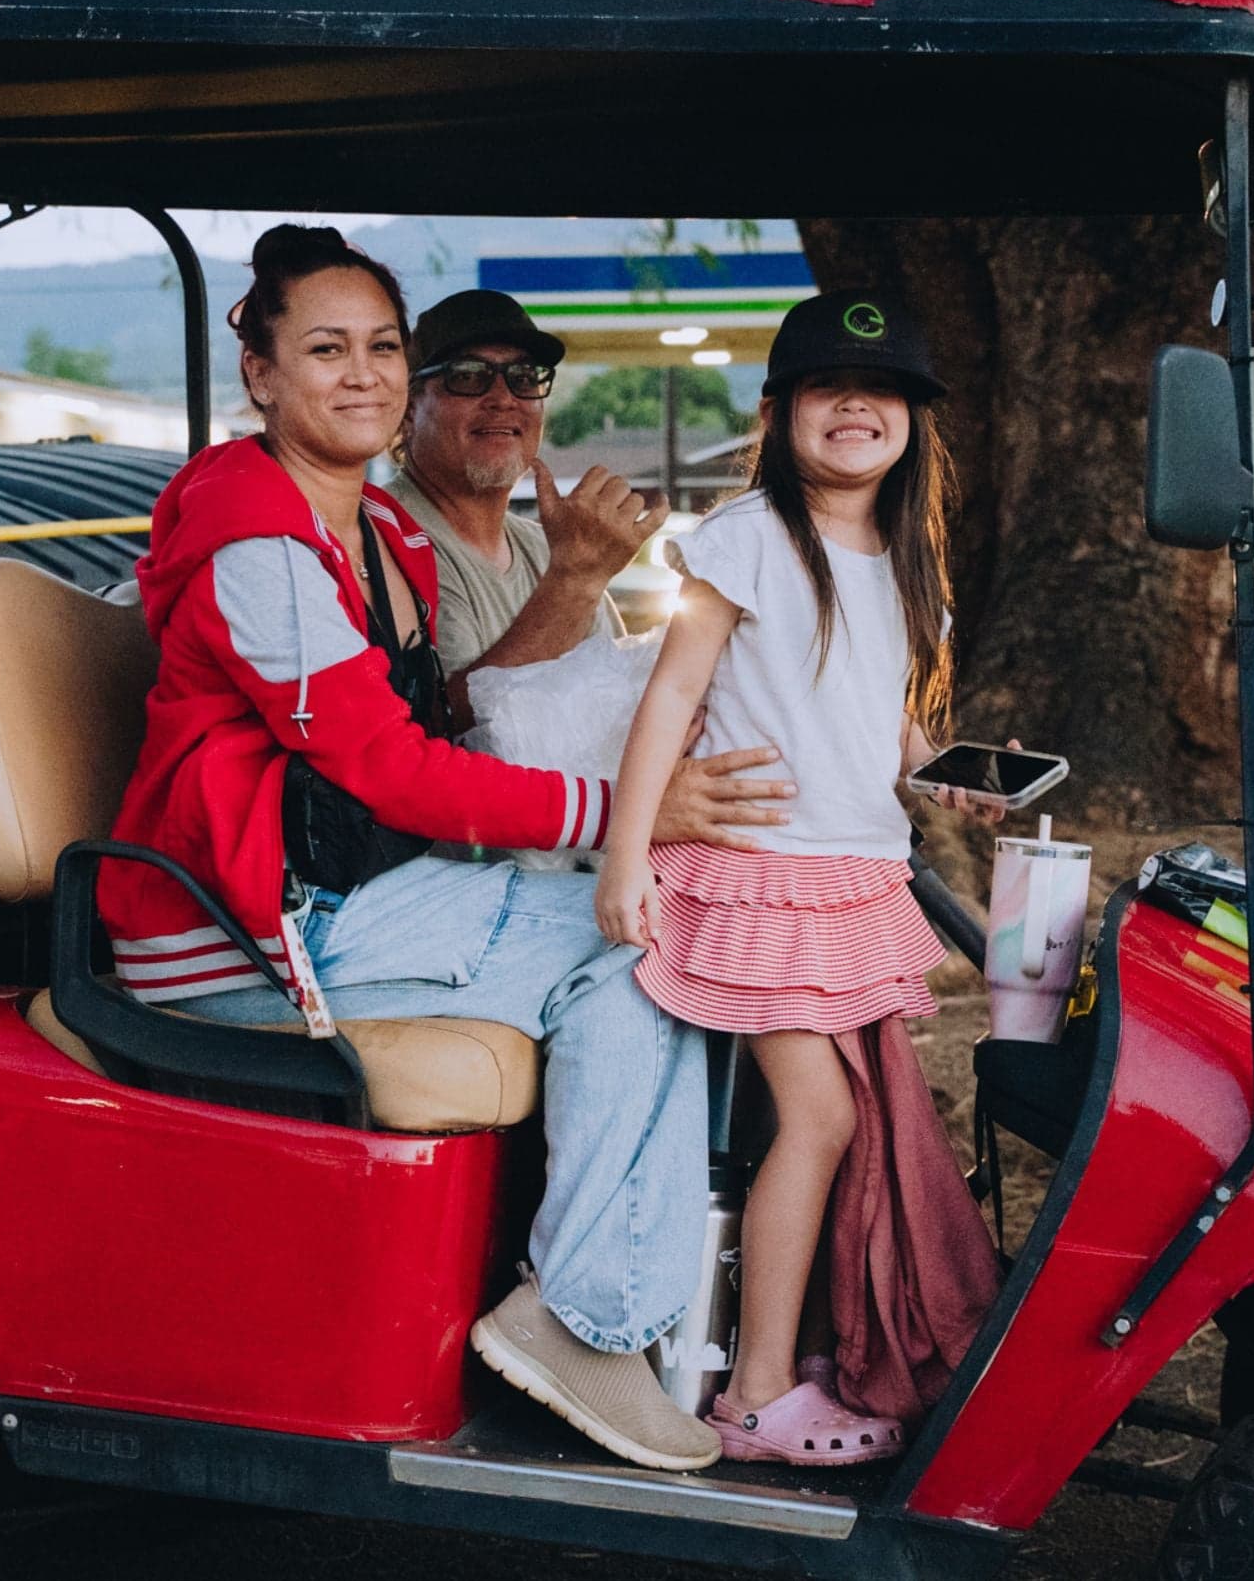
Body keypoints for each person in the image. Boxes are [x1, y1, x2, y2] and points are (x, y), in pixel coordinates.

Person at [98, 226, 722, 1473]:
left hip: (342, 885)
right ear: (262, 374)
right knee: (648, 945)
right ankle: (588, 1318)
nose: (363, 373)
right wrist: (619, 811)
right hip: (240, 919)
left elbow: (437, 722)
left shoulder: (377, 535)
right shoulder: (249, 524)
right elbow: (382, 767)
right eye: (324, 348)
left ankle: (588, 1303)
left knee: (644, 925)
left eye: (381, 345)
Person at [593, 290, 1002, 1466]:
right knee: (821, 1116)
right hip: (760, 878)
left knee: (839, 1118)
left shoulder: (903, 555)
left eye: (883, 392)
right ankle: (758, 1395)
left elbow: (882, 722)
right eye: (829, 389)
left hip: (853, 880)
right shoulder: (746, 539)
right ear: (778, 414)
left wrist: (946, 775)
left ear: (916, 422)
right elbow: (672, 694)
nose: (857, 408)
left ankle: (819, 1347)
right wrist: (627, 857)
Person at [391, 288, 798, 850]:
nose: (503, 398)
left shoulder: (545, 546)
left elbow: (616, 713)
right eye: (468, 376)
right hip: (465, 886)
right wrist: (577, 578)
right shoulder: (381, 535)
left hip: (578, 862)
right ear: (407, 407)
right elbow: (433, 727)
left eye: (525, 377)